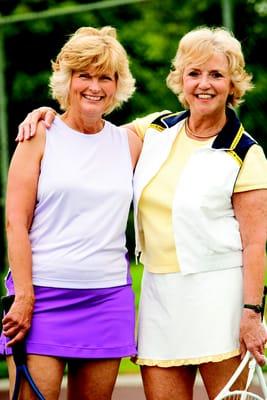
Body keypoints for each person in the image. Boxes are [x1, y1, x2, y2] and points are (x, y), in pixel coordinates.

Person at [14, 26, 267, 400]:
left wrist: (251, 312)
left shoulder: (246, 152)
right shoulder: (154, 130)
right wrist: (45, 111)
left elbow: (255, 242)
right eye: (194, 73)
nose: (204, 84)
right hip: (158, 301)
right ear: (180, 79)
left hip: (219, 302)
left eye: (216, 74)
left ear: (233, 84)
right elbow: (84, 135)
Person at [0, 26, 142, 400]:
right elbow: (16, 222)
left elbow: (189, 123)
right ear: (67, 79)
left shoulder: (130, 142)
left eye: (105, 77)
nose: (94, 87)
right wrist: (25, 296)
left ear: (118, 85)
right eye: (85, 75)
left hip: (108, 298)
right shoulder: (39, 135)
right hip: (41, 296)